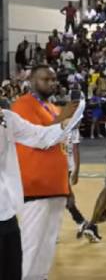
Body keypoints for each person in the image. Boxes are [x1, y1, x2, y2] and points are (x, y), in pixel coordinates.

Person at [12, 65, 80, 280]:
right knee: (30, 246)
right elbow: (38, 137)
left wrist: (67, 187)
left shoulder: (53, 107)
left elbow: (62, 148)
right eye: (45, 79)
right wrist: (65, 117)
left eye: (53, 79)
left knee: (47, 244)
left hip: (56, 186)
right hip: (34, 186)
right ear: (32, 80)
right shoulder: (22, 105)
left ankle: (39, 277)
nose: (52, 83)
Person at [0, 105, 82, 280]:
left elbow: (37, 135)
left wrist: (63, 125)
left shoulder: (7, 118)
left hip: (5, 211)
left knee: (12, 270)